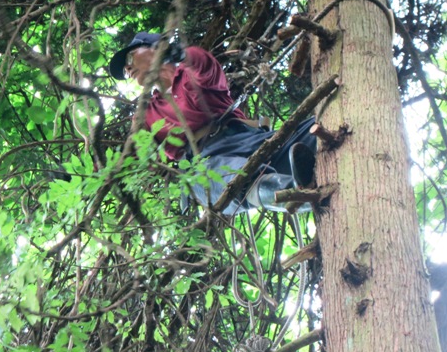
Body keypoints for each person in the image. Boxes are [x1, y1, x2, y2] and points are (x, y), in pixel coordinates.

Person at [109, 32, 316, 215]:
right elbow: (133, 153)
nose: (128, 69)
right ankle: (296, 195)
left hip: (244, 137)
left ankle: (307, 181)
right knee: (216, 177)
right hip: (204, 161)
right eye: (126, 71)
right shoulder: (146, 113)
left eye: (130, 58)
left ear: (156, 48)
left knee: (316, 127)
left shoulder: (190, 73)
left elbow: (205, 66)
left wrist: (181, 54)